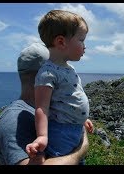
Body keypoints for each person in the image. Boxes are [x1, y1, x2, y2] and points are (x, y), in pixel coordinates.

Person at [0, 42, 89, 165]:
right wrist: (81, 148)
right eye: (59, 70)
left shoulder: (51, 111)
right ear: (45, 75)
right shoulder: (14, 120)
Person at [25, 10, 93, 164]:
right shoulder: (47, 72)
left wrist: (82, 118)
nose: (85, 46)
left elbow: (68, 99)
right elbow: (42, 108)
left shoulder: (68, 68)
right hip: (60, 133)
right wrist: (42, 136)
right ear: (61, 42)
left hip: (74, 129)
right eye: (81, 40)